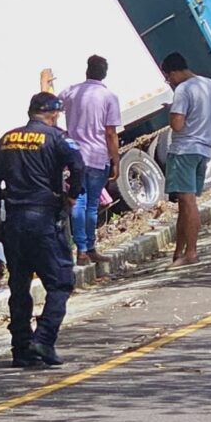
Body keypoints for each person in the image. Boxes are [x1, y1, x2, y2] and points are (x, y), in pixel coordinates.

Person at [0, 91, 85, 368]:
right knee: (60, 282)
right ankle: (44, 339)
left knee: (19, 286)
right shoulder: (57, 137)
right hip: (43, 220)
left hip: (13, 222)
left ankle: (21, 348)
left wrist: (4, 202)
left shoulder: (7, 138)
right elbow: (78, 166)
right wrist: (72, 195)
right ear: (52, 114)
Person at [162, 51, 211, 265]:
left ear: (173, 72)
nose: (169, 82)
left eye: (168, 77)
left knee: (188, 202)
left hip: (183, 150)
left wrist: (171, 112)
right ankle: (178, 252)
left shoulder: (182, 90)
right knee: (184, 202)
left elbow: (177, 124)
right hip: (203, 150)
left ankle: (191, 252)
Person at [59, 55, 123, 267]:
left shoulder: (72, 91)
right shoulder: (108, 97)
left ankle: (82, 250)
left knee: (78, 202)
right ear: (104, 73)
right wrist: (116, 160)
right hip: (97, 156)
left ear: (87, 70)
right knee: (92, 205)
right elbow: (111, 133)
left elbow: (54, 106)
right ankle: (90, 248)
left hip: (75, 156)